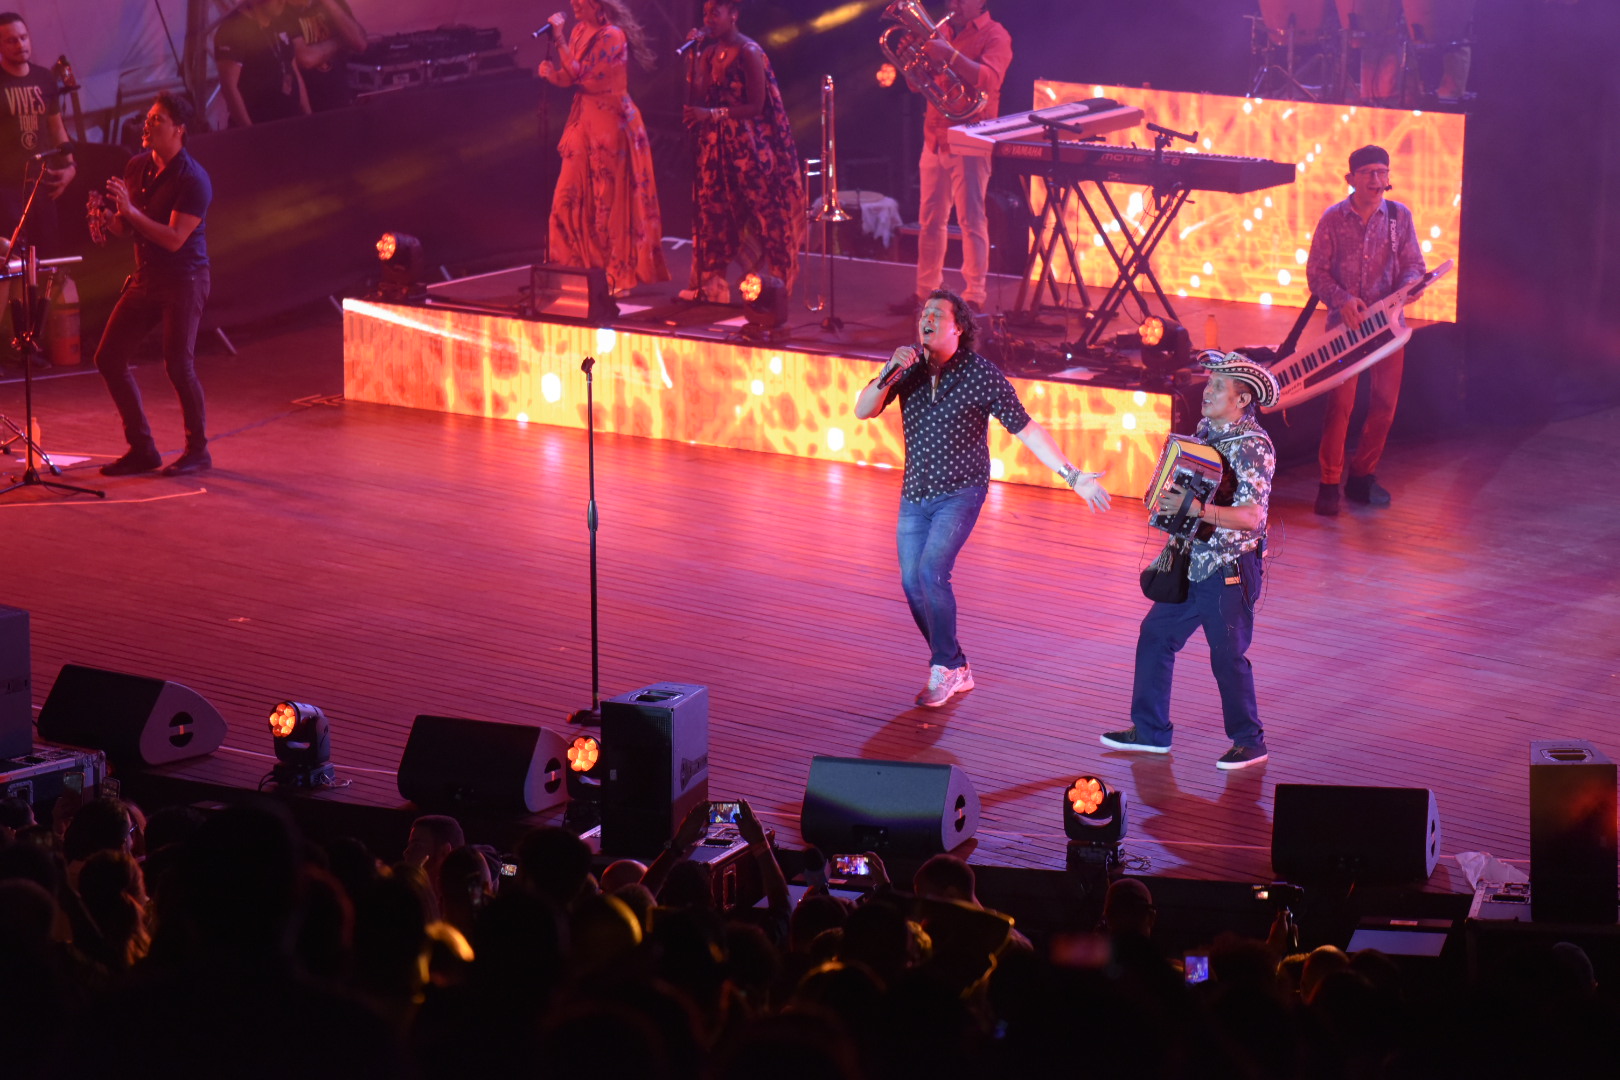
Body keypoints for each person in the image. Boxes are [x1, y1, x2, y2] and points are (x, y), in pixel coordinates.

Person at [855, 289, 1109, 707]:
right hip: (915, 492)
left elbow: (1026, 429)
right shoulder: (905, 368)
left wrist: (1072, 475)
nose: (927, 318)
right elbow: (863, 410)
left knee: (932, 571)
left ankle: (944, 666)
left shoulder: (981, 375)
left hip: (961, 491)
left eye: (938, 313)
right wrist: (887, 374)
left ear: (958, 327)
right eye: (924, 313)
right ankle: (954, 665)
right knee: (910, 580)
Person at [1100, 351, 1278, 769]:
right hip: (1194, 559)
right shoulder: (1206, 431)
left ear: (1241, 399)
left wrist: (1196, 510)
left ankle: (1250, 741)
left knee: (1227, 655)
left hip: (1230, 567)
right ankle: (1150, 731)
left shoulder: (1253, 447)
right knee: (1156, 635)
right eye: (1209, 383)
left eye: (1219, 386)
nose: (1208, 391)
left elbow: (1253, 516)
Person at [88, 92, 215, 477]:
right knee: (108, 358)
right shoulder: (136, 166)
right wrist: (108, 222)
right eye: (147, 118)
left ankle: (198, 450)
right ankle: (142, 448)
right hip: (146, 277)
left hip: (184, 279)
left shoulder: (193, 179)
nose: (147, 125)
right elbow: (130, 227)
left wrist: (127, 212)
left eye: (157, 120)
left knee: (178, 365)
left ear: (179, 130)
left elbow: (174, 238)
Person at [1308, 144, 1426, 516]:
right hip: (1346, 328)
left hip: (1388, 327)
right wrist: (1343, 300)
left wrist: (1406, 290)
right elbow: (1316, 273)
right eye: (1369, 173)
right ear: (1351, 179)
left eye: (1382, 173)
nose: (1377, 180)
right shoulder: (1333, 218)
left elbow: (1413, 265)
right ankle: (1329, 483)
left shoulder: (1398, 216)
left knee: (1385, 405)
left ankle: (1362, 476)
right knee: (1340, 406)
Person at [539, 0, 669, 297]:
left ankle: (617, 275)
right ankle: (571, 266)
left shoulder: (612, 36)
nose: (574, 3)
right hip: (584, 119)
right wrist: (551, 74)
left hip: (613, 122)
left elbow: (584, 75)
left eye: (581, 0)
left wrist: (558, 38)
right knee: (567, 193)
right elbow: (569, 78)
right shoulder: (579, 30)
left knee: (608, 201)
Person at [678, 0, 804, 302]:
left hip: (750, 146)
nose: (709, 19)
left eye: (715, 13)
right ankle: (713, 284)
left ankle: (775, 287)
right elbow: (699, 92)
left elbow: (756, 105)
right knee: (714, 211)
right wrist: (691, 59)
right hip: (717, 147)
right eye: (706, 13)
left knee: (764, 214)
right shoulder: (708, 52)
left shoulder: (749, 52)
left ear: (733, 15)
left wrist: (713, 115)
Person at [893, 0, 1010, 313]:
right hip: (934, 136)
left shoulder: (996, 35)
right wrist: (910, 60)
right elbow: (917, 86)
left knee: (971, 220)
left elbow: (989, 79)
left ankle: (975, 296)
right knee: (929, 221)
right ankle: (925, 291)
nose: (953, 4)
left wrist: (949, 55)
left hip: (970, 137)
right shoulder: (941, 31)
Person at [0, 11, 73, 283]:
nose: (20, 45)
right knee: (14, 263)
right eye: (11, 41)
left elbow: (56, 128)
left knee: (49, 259)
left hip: (42, 184)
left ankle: (51, 318)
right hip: (7, 188)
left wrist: (70, 167)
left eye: (23, 37)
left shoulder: (44, 78)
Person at [216, 0, 308, 127]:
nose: (282, 2)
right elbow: (229, 87)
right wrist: (251, 132)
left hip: (292, 123)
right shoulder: (234, 28)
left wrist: (308, 115)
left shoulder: (280, 20)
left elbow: (293, 69)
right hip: (262, 126)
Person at [289, 0, 367, 113]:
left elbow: (360, 43)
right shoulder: (285, 10)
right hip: (310, 105)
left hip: (340, 99)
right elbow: (306, 59)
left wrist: (329, 3)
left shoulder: (333, 3)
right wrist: (341, 41)